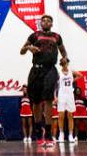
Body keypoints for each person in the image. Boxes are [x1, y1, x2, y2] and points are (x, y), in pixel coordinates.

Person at [20, 14, 67, 147]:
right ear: (41, 23)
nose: (46, 22)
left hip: (50, 70)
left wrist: (65, 60)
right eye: (43, 20)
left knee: (48, 99)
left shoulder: (56, 37)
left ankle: (48, 133)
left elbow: (64, 52)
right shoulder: (34, 35)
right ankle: (38, 131)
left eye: (48, 21)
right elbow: (21, 51)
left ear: (51, 24)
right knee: (35, 103)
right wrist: (29, 48)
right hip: (35, 71)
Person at [54, 57, 80, 143]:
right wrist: (55, 96)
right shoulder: (58, 73)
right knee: (61, 115)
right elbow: (55, 85)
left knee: (70, 115)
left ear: (67, 63)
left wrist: (72, 80)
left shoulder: (71, 71)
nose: (65, 65)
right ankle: (61, 134)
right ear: (62, 64)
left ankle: (70, 135)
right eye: (64, 64)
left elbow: (80, 75)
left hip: (69, 94)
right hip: (61, 95)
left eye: (66, 63)